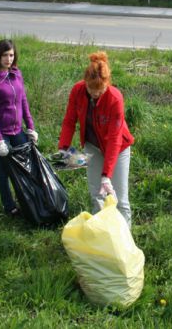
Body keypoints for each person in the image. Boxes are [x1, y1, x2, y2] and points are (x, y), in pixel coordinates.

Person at [58, 51, 134, 226]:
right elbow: (69, 121)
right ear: (85, 82)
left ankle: (124, 242)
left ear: (107, 84)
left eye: (100, 90)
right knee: (96, 194)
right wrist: (63, 147)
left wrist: (107, 175)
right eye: (92, 89)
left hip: (118, 148)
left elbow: (115, 138)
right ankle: (100, 236)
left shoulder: (115, 98)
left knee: (120, 197)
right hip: (93, 146)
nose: (95, 94)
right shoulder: (77, 91)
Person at [0, 39, 38, 217]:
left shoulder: (16, 74)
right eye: (5, 55)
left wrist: (30, 127)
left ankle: (30, 201)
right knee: (4, 170)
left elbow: (23, 101)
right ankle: (10, 207)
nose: (8, 59)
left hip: (17, 130)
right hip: (1, 134)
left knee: (27, 166)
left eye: (11, 55)